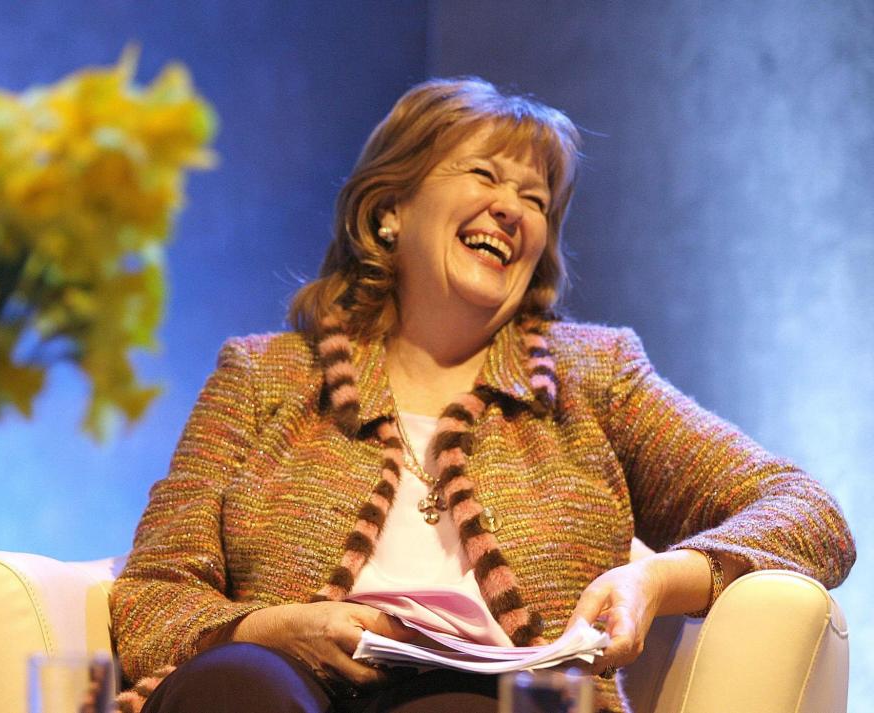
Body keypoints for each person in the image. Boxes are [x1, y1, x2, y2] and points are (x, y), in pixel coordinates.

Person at [109, 77, 855, 713]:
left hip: (485, 697)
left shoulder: (595, 375)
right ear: (390, 208)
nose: (513, 209)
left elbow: (807, 513)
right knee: (239, 685)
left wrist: (656, 579)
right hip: (284, 687)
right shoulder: (262, 375)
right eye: (486, 176)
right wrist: (270, 629)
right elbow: (151, 594)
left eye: (536, 199)